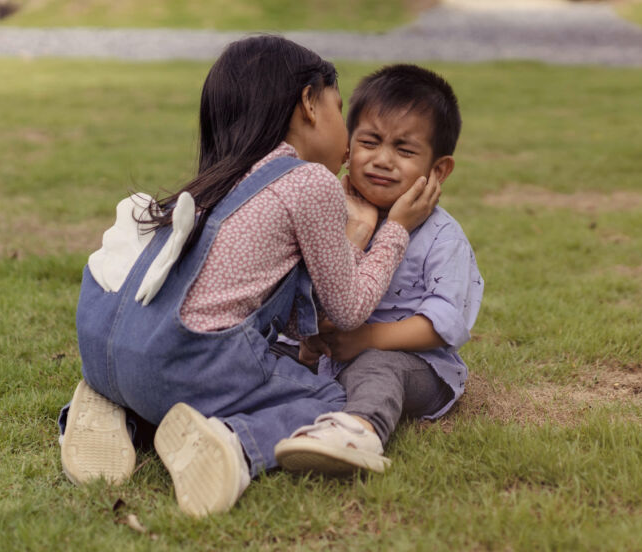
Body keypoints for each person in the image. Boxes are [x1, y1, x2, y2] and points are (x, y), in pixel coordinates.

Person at [59, 37, 440, 517]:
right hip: (180, 364)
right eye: (339, 110)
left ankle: (119, 409)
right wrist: (395, 232)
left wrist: (356, 232)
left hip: (106, 344)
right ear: (308, 102)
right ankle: (236, 444)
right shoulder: (308, 181)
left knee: (214, 365)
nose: (348, 138)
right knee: (331, 398)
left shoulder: (222, 175)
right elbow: (347, 309)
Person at [275, 64, 484, 474]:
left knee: (377, 367)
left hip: (414, 363)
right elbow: (306, 291)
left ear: (438, 171)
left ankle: (357, 431)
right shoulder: (328, 214)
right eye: (370, 142)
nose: (382, 160)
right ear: (349, 148)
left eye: (405, 151)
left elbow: (444, 322)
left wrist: (367, 339)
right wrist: (311, 335)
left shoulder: (443, 237)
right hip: (334, 356)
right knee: (268, 351)